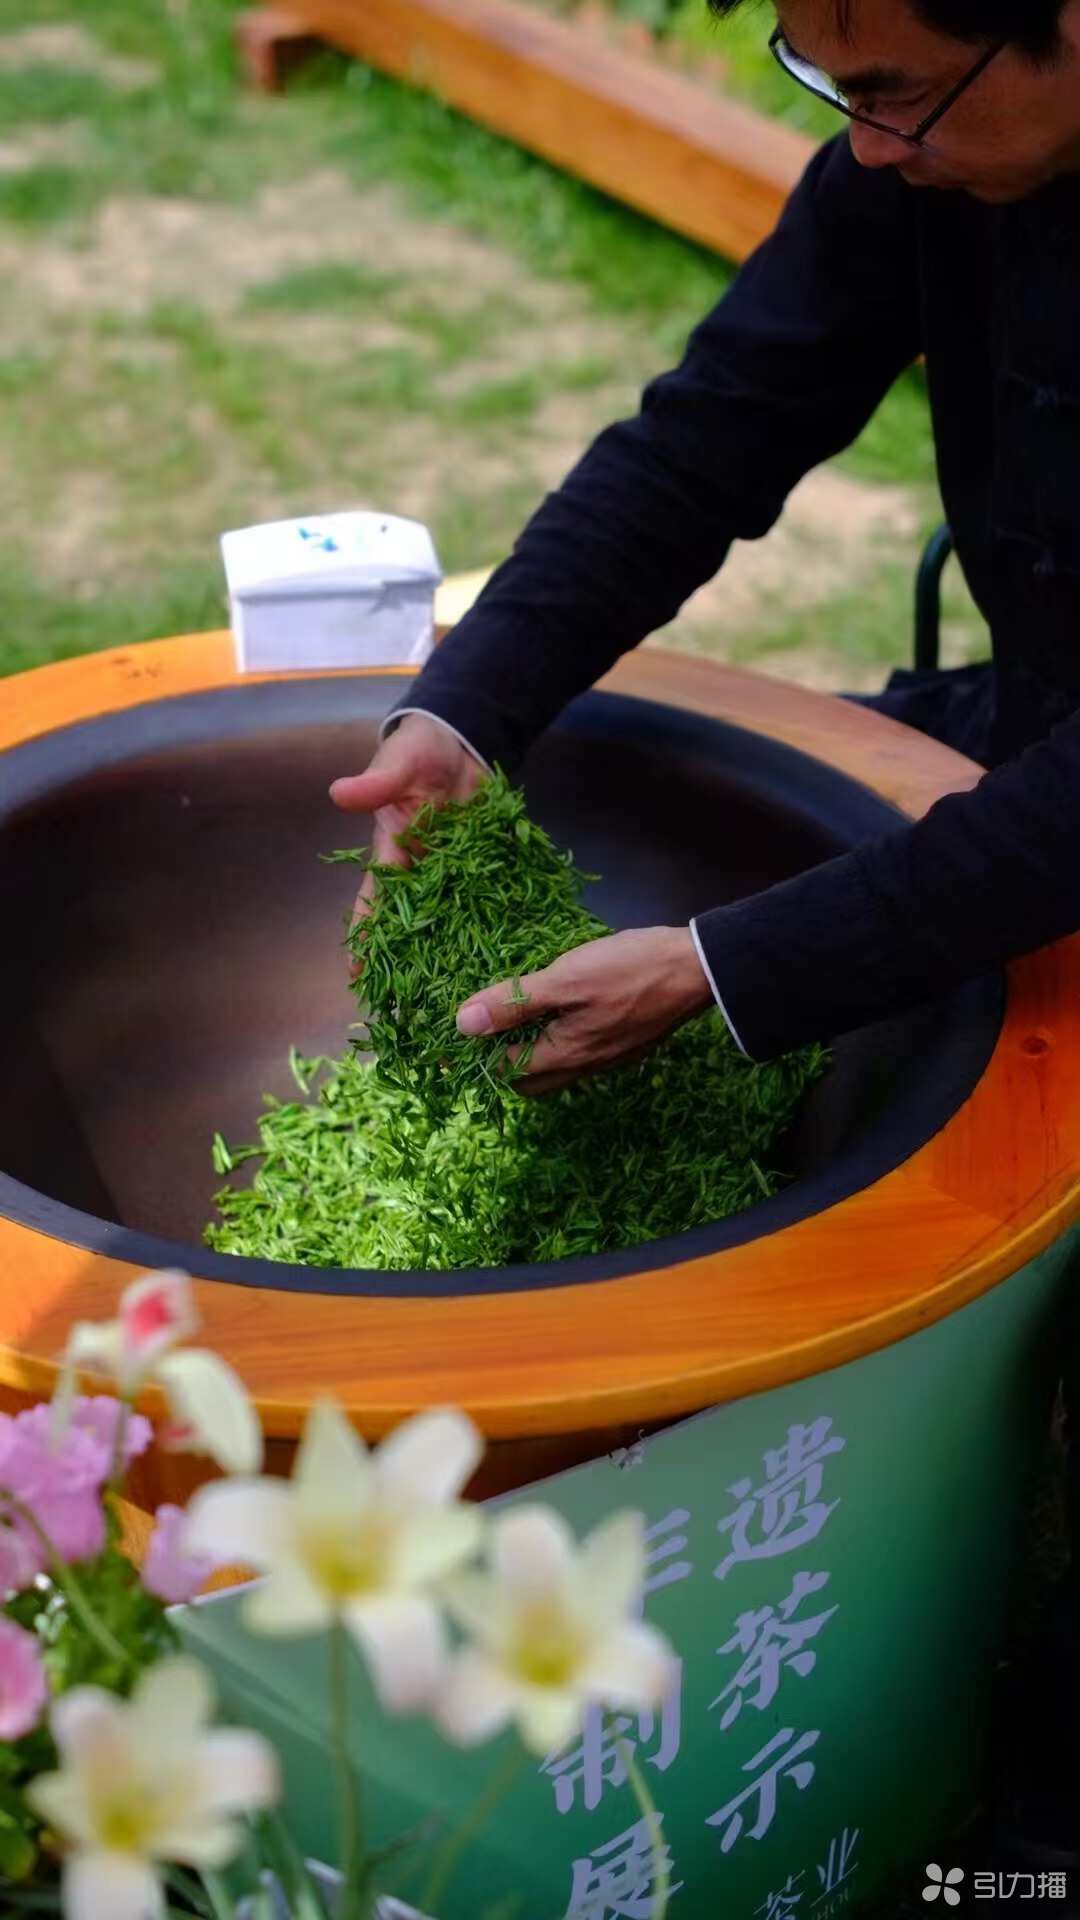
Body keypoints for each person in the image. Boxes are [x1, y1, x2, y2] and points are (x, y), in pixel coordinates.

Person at [330, 0, 1080, 1868]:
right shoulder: (922, 154)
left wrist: (729, 970)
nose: (866, 147)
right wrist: (465, 705)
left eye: (896, 94)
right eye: (825, 82)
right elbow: (712, 435)